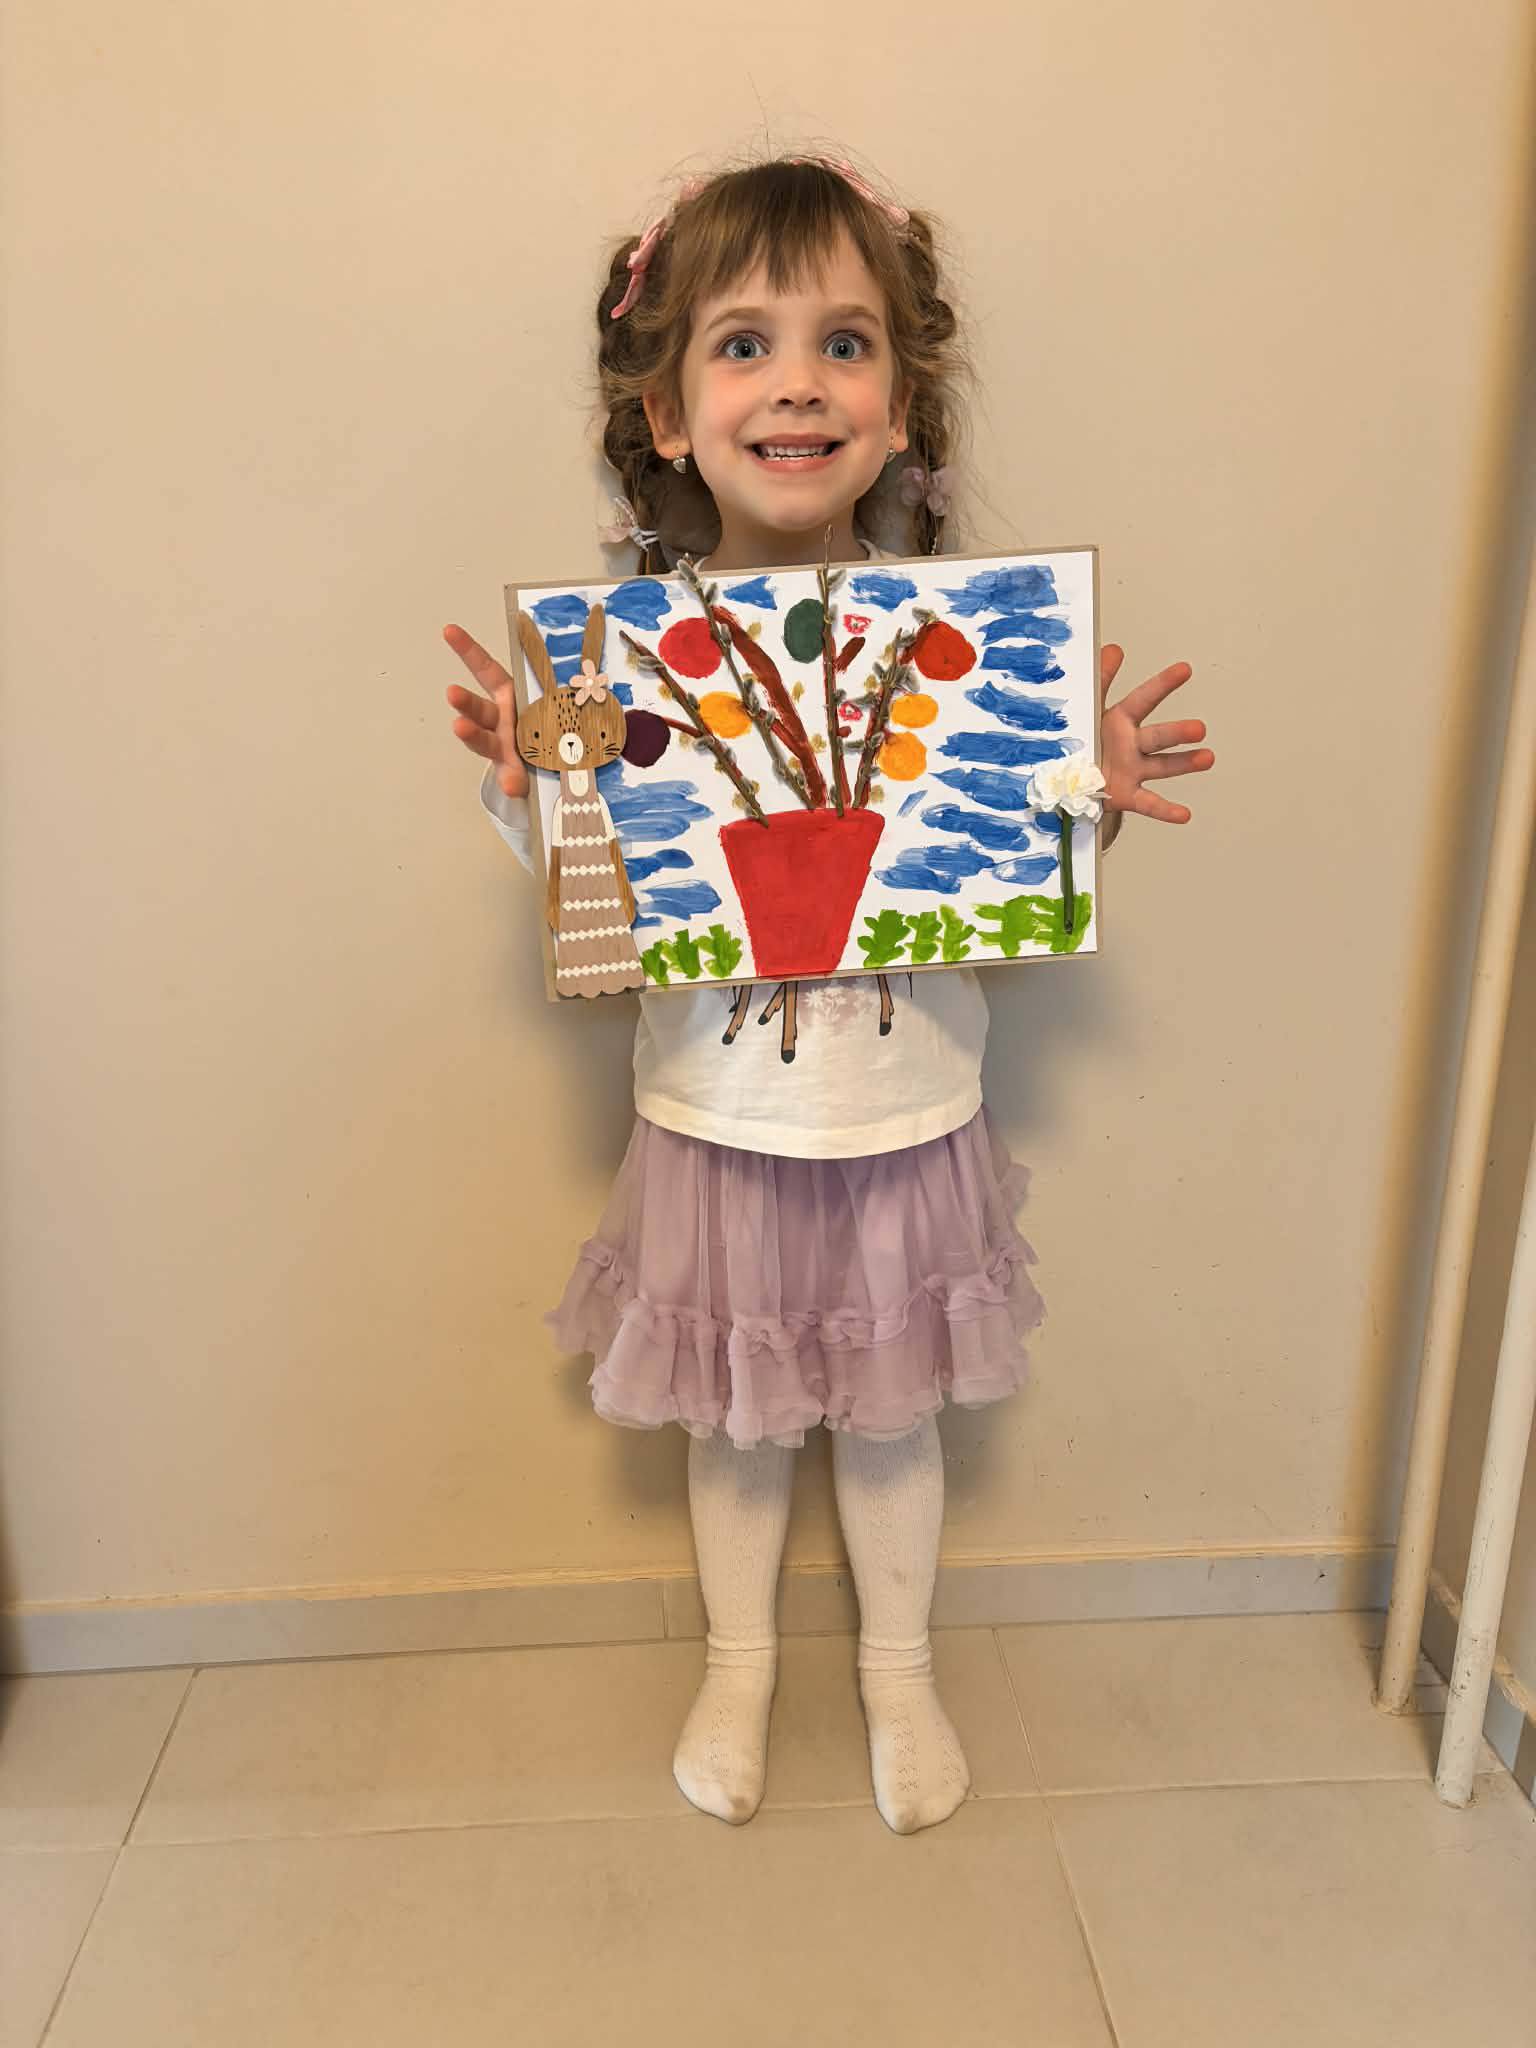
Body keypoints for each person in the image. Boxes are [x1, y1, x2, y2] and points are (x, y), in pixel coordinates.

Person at [443, 155, 1214, 1835]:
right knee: (734, 1422)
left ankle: (899, 1670)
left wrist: (1084, 791)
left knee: (887, 1414)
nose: (797, 381)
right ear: (666, 414)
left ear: (901, 404)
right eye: (745, 344)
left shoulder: (973, 647)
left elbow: (1004, 881)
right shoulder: (623, 648)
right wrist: (533, 782)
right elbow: (596, 893)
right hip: (714, 1121)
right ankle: (738, 1664)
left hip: (907, 1115)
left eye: (844, 344)